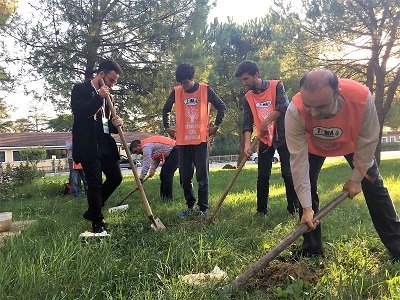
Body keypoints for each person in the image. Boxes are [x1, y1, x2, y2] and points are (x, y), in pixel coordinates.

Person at [285, 69, 400, 260]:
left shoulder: (362, 99)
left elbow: (368, 140)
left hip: (353, 143)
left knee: (374, 187)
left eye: (321, 106)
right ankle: (312, 250)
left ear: (337, 94)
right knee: (308, 190)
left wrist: (356, 178)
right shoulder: (295, 110)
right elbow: (298, 162)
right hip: (313, 146)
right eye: (309, 106)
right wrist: (306, 207)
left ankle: (397, 245)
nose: (313, 113)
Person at [234, 60, 299, 218]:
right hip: (264, 139)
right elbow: (247, 123)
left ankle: (294, 208)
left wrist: (265, 122)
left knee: (288, 174)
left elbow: (283, 106)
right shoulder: (248, 97)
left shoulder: (276, 86)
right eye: (242, 80)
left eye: (246, 79)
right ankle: (261, 211)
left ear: (256, 75)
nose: (244, 83)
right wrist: (247, 146)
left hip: (284, 136)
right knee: (262, 176)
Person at [162, 63, 226, 218]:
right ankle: (190, 206)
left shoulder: (205, 89)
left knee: (202, 177)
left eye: (185, 82)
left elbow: (222, 106)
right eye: (180, 83)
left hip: (200, 141)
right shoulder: (177, 91)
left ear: (192, 79)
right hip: (183, 142)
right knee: (185, 177)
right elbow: (166, 109)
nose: (183, 86)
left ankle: (203, 209)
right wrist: (167, 127)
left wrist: (216, 125)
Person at [71, 59, 124, 234]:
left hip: (104, 143)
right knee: (94, 183)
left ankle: (93, 210)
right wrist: (98, 97)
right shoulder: (80, 89)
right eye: (111, 80)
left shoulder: (110, 97)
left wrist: (117, 124)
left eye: (115, 82)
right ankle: (97, 222)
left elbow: (107, 124)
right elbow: (81, 114)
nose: (112, 85)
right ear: (101, 74)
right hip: (87, 143)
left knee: (116, 177)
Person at [130, 135, 179, 200]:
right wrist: (152, 169)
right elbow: (157, 158)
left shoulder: (146, 146)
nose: (137, 153)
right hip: (172, 152)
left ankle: (168, 198)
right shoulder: (148, 145)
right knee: (162, 175)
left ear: (139, 145)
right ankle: (163, 197)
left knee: (167, 174)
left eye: (136, 151)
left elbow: (146, 164)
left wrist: (141, 178)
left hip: (175, 150)